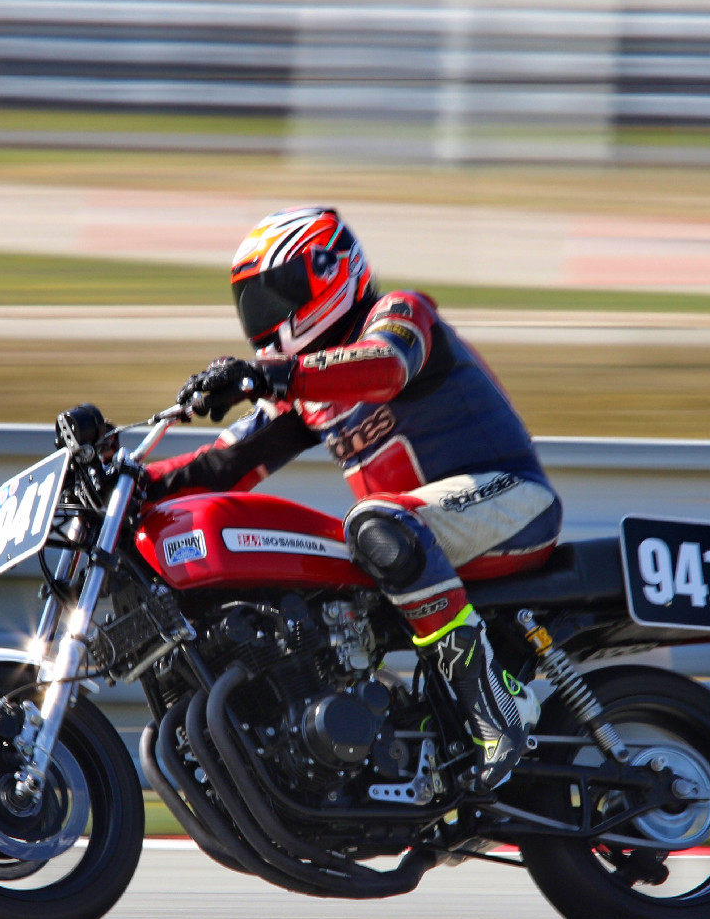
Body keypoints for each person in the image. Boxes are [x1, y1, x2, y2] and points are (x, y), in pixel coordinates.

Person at [144, 205, 561, 792]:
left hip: (511, 500)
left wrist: (273, 376)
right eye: (253, 301)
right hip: (416, 539)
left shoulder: (399, 314)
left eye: (276, 293)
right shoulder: (306, 388)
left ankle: (497, 706)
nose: (266, 315)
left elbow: (385, 367)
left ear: (329, 270)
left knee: (375, 523)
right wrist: (126, 479)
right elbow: (222, 465)